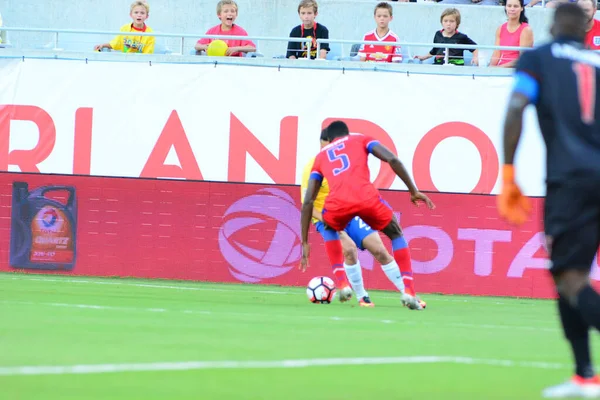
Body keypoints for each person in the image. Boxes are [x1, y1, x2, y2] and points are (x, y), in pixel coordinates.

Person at [498, 4, 600, 397]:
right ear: (587, 28)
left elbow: (516, 107)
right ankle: (585, 375)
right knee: (568, 277)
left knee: (570, 278)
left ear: (554, 25)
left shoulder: (538, 58)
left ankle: (586, 374)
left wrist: (508, 173)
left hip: (570, 181)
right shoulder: (595, 62)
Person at [300, 121, 435, 310]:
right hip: (329, 213)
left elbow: (306, 202)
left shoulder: (325, 157)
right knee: (350, 249)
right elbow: (307, 204)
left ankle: (408, 293)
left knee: (380, 251)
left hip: (346, 209)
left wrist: (305, 241)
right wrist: (413, 190)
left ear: (330, 140)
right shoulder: (317, 162)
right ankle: (361, 295)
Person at [415, 8, 479, 66]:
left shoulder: (462, 37)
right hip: (438, 65)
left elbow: (475, 48)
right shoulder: (438, 34)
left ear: (457, 23)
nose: (448, 24)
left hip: (456, 67)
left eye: (452, 21)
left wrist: (475, 57)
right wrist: (423, 57)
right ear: (442, 22)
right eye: (445, 21)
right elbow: (434, 50)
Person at [490, 0, 534, 67]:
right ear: (505, 7)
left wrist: (499, 68)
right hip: (500, 69)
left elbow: (523, 59)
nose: (512, 9)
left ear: (522, 8)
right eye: (509, 6)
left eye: (515, 6)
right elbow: (496, 53)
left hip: (517, 71)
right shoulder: (500, 28)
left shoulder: (526, 30)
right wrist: (491, 68)